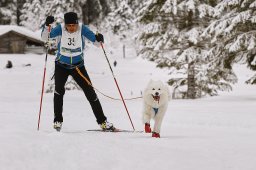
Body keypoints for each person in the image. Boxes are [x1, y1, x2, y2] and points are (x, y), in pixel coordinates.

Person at [41, 12, 115, 131]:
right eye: (68, 25)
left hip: (78, 67)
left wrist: (100, 38)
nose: (71, 28)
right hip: (61, 66)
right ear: (65, 24)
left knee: (90, 93)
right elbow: (45, 37)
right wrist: (47, 25)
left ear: (76, 24)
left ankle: (103, 122)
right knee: (58, 92)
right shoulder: (60, 29)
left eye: (73, 25)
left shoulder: (82, 29)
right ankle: (57, 121)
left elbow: (96, 43)